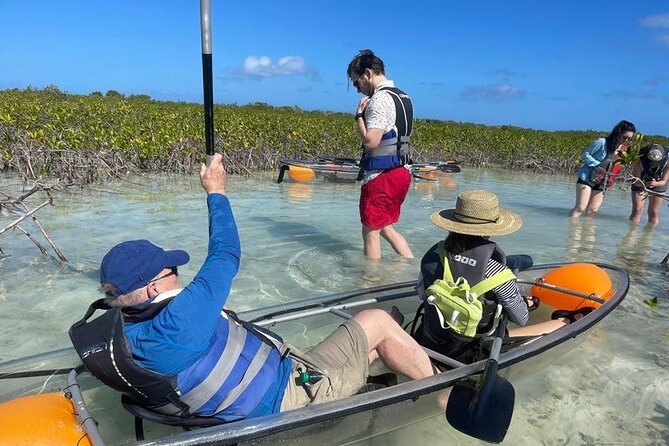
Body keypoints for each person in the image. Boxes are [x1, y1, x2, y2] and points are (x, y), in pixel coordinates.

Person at [70, 153, 434, 423]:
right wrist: (215, 190)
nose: (179, 273)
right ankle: (444, 400)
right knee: (380, 321)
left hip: (255, 391)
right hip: (287, 395)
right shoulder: (181, 319)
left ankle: (378, 365)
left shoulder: (121, 341)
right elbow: (225, 253)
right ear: (152, 289)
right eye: (172, 270)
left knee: (373, 338)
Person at [413, 190, 588, 364]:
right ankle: (567, 320)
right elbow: (521, 319)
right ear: (490, 230)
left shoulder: (433, 255)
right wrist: (520, 303)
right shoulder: (496, 272)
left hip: (429, 337)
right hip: (468, 353)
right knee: (535, 319)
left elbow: (422, 294)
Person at [347, 49, 414, 260]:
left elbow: (371, 141)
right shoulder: (404, 96)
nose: (359, 90)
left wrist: (358, 116)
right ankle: (411, 268)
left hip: (382, 177)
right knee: (385, 227)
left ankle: (370, 284)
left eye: (357, 83)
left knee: (370, 232)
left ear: (367, 73)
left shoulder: (379, 100)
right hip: (402, 173)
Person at [569, 120, 636, 217]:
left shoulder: (624, 150)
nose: (626, 140)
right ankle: (571, 230)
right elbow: (585, 154)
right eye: (624, 137)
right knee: (580, 208)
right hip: (586, 179)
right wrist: (597, 164)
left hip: (602, 183)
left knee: (593, 211)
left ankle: (587, 232)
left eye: (629, 139)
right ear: (618, 133)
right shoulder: (601, 142)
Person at [629, 143, 669, 225]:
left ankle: (648, 236)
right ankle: (631, 235)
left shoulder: (667, 162)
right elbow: (636, 180)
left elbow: (664, 181)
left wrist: (655, 184)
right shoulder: (640, 159)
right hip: (640, 182)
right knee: (637, 209)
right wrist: (644, 184)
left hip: (659, 182)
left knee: (654, 212)